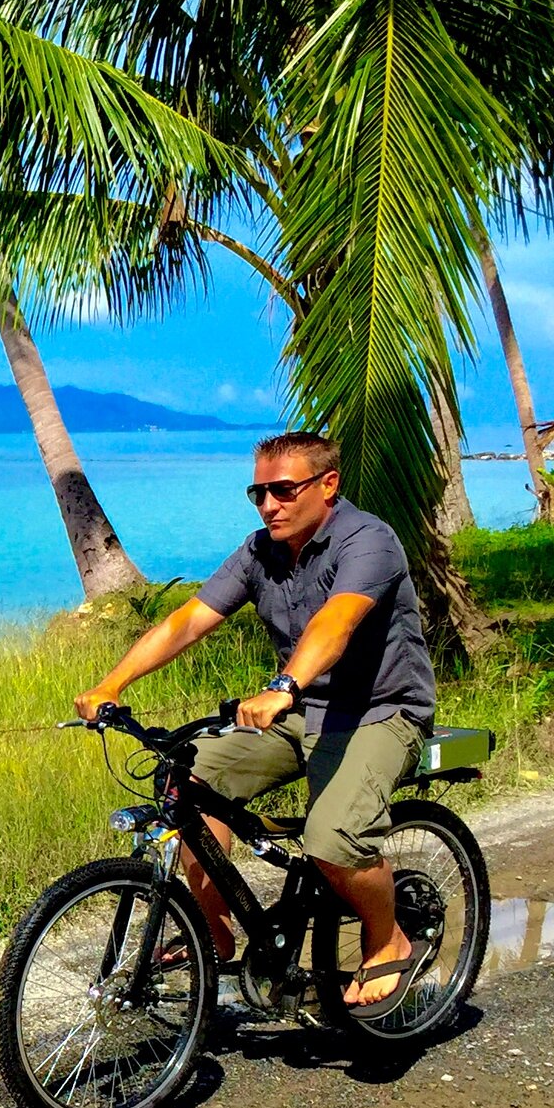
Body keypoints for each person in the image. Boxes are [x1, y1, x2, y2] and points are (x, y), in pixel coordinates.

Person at [74, 430, 437, 1009]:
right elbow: (187, 621)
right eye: (259, 492)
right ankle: (210, 935)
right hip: (297, 714)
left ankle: (386, 934)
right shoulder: (258, 552)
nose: (270, 504)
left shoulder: (369, 540)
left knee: (331, 835)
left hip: (378, 712)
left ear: (328, 485)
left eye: (284, 490)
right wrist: (113, 683)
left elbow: (336, 622)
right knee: (185, 783)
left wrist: (283, 686)